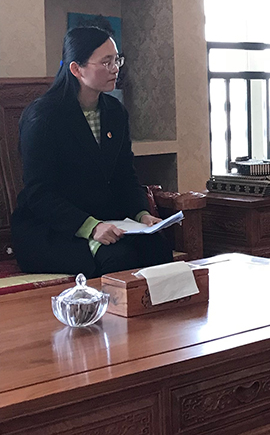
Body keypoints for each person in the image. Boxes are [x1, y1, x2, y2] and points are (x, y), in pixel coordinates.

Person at [11, 26, 172, 278]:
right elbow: (39, 194)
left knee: (158, 248)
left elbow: (125, 177)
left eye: (117, 60)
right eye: (106, 62)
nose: (115, 69)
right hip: (52, 229)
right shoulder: (43, 117)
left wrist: (142, 215)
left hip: (106, 221)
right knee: (119, 259)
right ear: (76, 69)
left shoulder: (115, 112)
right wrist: (91, 227)